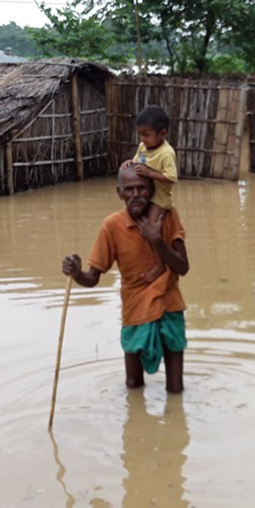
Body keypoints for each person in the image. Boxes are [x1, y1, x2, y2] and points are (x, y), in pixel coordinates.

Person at [61, 163, 189, 394]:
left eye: (142, 188)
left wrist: (157, 240)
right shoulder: (112, 226)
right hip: (134, 309)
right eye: (129, 190)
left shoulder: (167, 216)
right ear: (119, 193)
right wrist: (76, 272)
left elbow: (183, 267)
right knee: (133, 385)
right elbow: (92, 278)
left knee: (176, 388)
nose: (136, 195)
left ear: (151, 190)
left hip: (170, 305)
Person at [130, 104, 178, 283]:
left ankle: (159, 266)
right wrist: (128, 164)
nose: (142, 139)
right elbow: (136, 163)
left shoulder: (166, 153)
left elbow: (172, 177)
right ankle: (142, 259)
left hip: (159, 198)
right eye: (140, 134)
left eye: (147, 135)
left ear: (162, 134)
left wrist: (150, 173)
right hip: (145, 194)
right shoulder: (143, 147)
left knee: (150, 227)